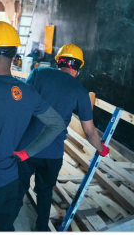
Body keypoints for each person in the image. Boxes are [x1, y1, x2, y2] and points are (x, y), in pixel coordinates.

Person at [0, 21, 66, 231]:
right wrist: (26, 153)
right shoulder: (28, 92)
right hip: (11, 182)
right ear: (12, 55)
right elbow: (57, 124)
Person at [12, 43, 110, 231]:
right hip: (52, 154)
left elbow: (20, 105)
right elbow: (90, 132)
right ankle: (41, 228)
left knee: (17, 191)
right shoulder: (80, 90)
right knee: (45, 191)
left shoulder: (38, 74)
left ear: (58, 62)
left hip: (25, 149)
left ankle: (5, 226)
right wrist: (102, 149)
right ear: (77, 68)